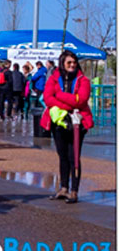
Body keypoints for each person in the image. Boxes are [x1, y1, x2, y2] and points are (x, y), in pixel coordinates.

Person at [41, 50, 93, 204]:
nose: (72, 65)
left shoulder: (83, 80)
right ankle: (63, 188)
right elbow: (48, 98)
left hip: (78, 122)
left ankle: (74, 191)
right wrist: (66, 106)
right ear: (62, 63)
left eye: (74, 63)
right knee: (62, 155)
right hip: (59, 121)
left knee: (73, 156)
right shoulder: (53, 78)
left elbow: (80, 100)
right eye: (69, 63)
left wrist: (60, 96)